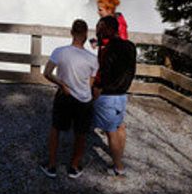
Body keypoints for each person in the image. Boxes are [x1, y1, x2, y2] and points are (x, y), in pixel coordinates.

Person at [39, 19, 99, 179]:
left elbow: (47, 73)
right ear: (86, 35)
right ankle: (73, 167)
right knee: (81, 133)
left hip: (64, 96)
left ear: (72, 33)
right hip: (84, 100)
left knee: (56, 129)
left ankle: (51, 166)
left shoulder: (60, 52)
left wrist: (62, 84)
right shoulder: (92, 58)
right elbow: (90, 84)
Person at [92, 14, 137, 176]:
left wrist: (98, 88)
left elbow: (104, 73)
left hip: (108, 95)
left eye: (101, 29)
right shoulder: (130, 46)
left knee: (110, 131)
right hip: (122, 94)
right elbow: (131, 71)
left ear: (109, 29)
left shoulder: (109, 50)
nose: (99, 31)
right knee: (120, 126)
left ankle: (118, 167)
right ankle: (118, 156)